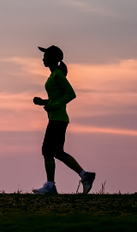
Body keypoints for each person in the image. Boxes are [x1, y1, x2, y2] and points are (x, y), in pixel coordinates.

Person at [32, 46, 95, 194]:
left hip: (58, 119)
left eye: (46, 56)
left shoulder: (58, 75)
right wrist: (44, 102)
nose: (43, 58)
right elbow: (58, 97)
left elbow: (71, 94)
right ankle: (85, 176)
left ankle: (51, 185)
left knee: (47, 150)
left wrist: (54, 105)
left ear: (53, 58)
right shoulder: (54, 75)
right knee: (56, 151)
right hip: (57, 118)